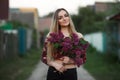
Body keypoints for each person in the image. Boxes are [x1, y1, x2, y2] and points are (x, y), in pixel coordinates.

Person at [41, 8, 88, 80]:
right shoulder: (51, 36)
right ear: (57, 21)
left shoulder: (78, 36)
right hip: (54, 73)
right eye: (60, 18)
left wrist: (71, 60)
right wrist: (55, 64)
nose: (64, 19)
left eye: (66, 15)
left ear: (69, 17)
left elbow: (83, 58)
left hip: (71, 74)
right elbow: (44, 57)